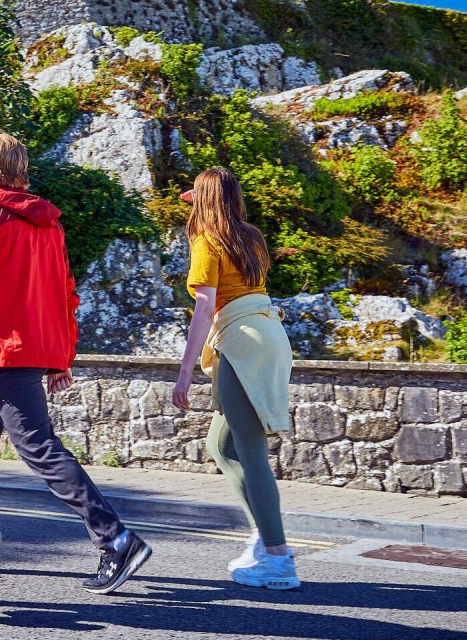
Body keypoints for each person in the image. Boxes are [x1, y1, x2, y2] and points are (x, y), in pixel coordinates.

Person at [0, 131, 150, 595]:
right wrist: (60, 356)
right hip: (22, 351)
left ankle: (117, 539)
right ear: (22, 172)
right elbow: (64, 293)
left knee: (39, 448)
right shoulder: (48, 224)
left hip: (1, 350)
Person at [171, 167, 299, 590]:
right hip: (268, 334)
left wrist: (185, 372)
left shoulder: (208, 242)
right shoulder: (252, 237)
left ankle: (278, 560)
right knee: (222, 444)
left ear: (203, 200)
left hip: (241, 342)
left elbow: (206, 308)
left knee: (250, 449)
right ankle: (265, 538)